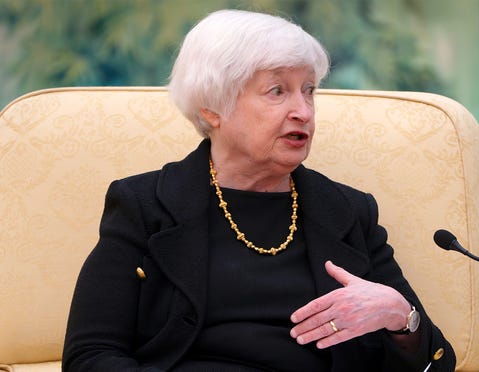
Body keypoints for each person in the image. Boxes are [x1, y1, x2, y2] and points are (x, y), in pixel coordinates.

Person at [62, 9, 456, 372]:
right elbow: (90, 357)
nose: (303, 110)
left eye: (309, 90)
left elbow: (437, 362)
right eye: (277, 91)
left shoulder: (348, 211)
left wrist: (402, 318)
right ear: (211, 108)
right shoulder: (144, 206)